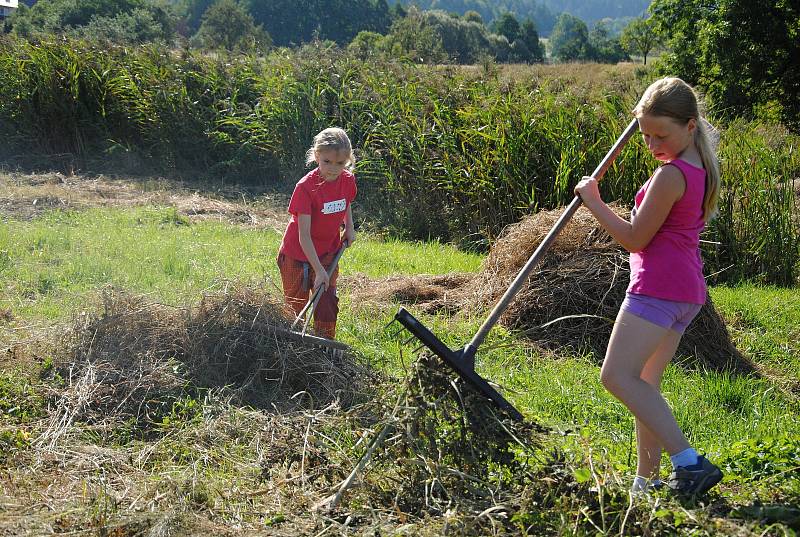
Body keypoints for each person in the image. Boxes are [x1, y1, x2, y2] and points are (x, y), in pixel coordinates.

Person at [574, 77, 723, 497]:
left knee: (616, 376)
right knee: (644, 384)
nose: (653, 143)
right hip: (685, 291)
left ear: (690, 126)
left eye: (662, 134)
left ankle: (689, 462)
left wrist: (593, 200)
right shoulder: (700, 168)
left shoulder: (670, 176)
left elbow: (636, 238)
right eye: (645, 135)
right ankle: (647, 478)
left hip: (658, 286)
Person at [277, 127, 357, 340]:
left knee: (326, 301)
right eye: (327, 162)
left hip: (327, 252)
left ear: (347, 160)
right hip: (297, 255)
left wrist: (349, 226)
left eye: (340, 163)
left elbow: (345, 201)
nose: (333, 169)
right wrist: (318, 270)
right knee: (296, 307)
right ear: (316, 156)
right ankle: (294, 346)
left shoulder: (347, 180)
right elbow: (303, 235)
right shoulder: (306, 187)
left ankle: (325, 347)